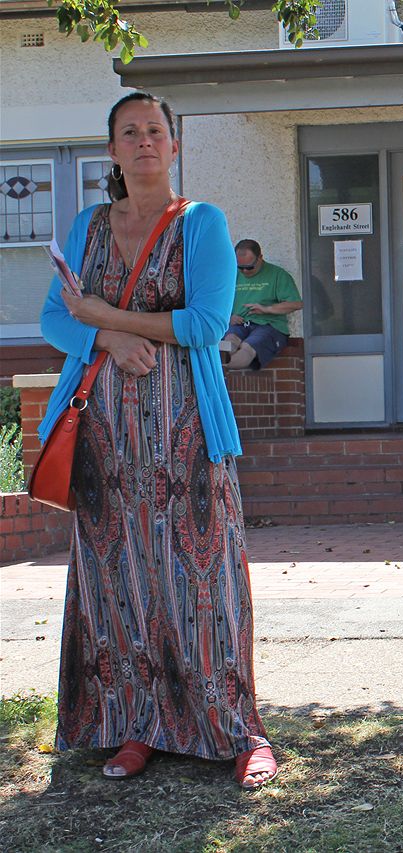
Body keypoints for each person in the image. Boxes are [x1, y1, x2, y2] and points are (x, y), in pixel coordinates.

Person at [39, 91, 277, 789]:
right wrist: (103, 333)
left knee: (208, 580)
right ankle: (136, 725)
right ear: (112, 150)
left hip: (188, 431)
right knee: (121, 581)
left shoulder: (202, 223)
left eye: (156, 131)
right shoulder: (87, 225)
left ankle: (240, 732)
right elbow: (57, 319)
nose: (144, 141)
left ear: (174, 146)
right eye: (129, 132)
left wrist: (108, 313)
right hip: (105, 436)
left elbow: (206, 324)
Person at [220, 240, 301, 370]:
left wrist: (266, 309)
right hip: (239, 324)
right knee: (229, 341)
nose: (245, 271)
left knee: (248, 347)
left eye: (249, 267)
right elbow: (217, 303)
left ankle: (222, 370)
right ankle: (218, 370)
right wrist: (228, 317)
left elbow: (296, 304)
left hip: (269, 326)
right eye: (240, 267)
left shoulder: (277, 274)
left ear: (260, 258)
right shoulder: (230, 275)